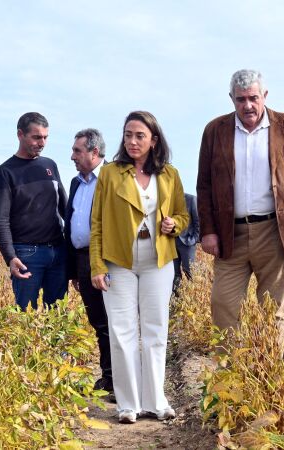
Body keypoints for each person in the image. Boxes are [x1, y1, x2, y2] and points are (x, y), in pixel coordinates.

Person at [196, 69, 284, 352]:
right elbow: (204, 185)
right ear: (231, 99)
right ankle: (231, 375)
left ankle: (267, 375)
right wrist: (209, 231)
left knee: (273, 310)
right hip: (230, 234)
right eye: (240, 100)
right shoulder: (215, 131)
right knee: (223, 305)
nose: (247, 105)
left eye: (252, 98)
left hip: (275, 232)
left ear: (264, 96)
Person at [89, 111, 189, 424]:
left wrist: (175, 225)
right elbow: (97, 223)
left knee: (156, 330)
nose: (132, 141)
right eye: (128, 134)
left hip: (158, 261)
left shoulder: (170, 174)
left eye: (140, 136)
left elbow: (184, 217)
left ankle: (156, 401)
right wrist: (96, 264)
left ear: (154, 140)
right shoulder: (110, 174)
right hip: (118, 262)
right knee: (122, 332)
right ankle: (128, 404)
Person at [0, 112, 68, 311]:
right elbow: (1, 220)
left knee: (58, 315)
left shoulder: (50, 165)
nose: (42, 142)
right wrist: (10, 257)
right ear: (20, 134)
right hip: (26, 254)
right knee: (25, 316)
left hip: (58, 251)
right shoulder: (5, 173)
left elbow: (65, 208)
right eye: (36, 137)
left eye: (45, 137)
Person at [65, 128, 113, 397]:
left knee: (112, 321)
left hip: (105, 260)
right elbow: (71, 223)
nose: (72, 156)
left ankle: (115, 379)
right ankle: (108, 377)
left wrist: (102, 264)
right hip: (82, 259)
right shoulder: (76, 183)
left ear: (95, 152)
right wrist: (74, 270)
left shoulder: (112, 177)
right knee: (97, 320)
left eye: (77, 151)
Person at [172, 193, 199, 295]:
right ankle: (177, 299)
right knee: (174, 273)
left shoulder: (191, 199)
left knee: (189, 272)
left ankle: (193, 298)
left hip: (187, 242)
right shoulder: (167, 199)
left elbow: (198, 221)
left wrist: (194, 239)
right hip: (171, 242)